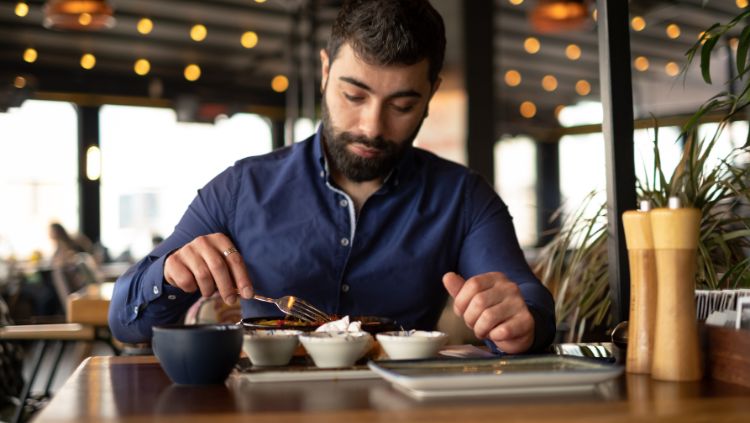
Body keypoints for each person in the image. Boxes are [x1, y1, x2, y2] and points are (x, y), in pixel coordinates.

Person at [109, 0, 556, 354]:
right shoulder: (241, 189)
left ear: (431, 93)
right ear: (325, 72)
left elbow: (528, 300)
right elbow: (125, 322)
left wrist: (519, 323)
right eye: (353, 95)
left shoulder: (464, 198)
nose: (372, 126)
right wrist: (169, 274)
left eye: (401, 106)